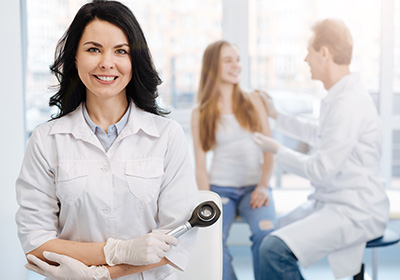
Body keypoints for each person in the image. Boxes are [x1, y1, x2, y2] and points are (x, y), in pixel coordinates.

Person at [15, 1, 198, 279]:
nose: (106, 63)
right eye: (93, 49)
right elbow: (36, 243)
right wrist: (118, 251)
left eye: (120, 51)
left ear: (134, 60)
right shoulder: (45, 140)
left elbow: (177, 241)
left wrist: (101, 274)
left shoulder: (167, 136)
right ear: (75, 58)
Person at [253, 19, 390, 279]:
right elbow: (318, 133)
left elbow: (321, 170)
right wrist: (276, 116)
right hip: (333, 201)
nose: (306, 59)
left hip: (355, 210)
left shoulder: (348, 101)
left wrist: (277, 150)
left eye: (309, 51)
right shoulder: (338, 96)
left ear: (324, 53)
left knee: (273, 249)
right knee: (266, 235)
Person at [191, 40, 276, 280]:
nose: (236, 65)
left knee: (266, 237)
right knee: (212, 241)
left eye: (237, 59)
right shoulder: (201, 112)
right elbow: (200, 164)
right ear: (212, 67)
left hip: (254, 187)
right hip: (221, 189)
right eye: (228, 60)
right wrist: (206, 200)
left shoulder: (254, 100)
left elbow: (270, 150)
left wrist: (263, 185)